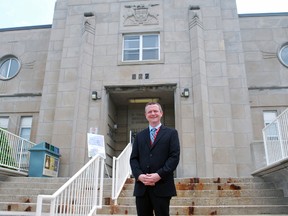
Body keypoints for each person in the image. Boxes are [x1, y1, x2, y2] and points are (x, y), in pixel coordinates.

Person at [130, 102, 180, 216]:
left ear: (161, 113)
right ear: (146, 115)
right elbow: (133, 159)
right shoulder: (139, 136)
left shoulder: (172, 133)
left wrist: (159, 175)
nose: (153, 113)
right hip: (142, 188)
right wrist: (139, 176)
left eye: (155, 111)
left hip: (162, 186)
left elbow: (174, 157)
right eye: (150, 112)